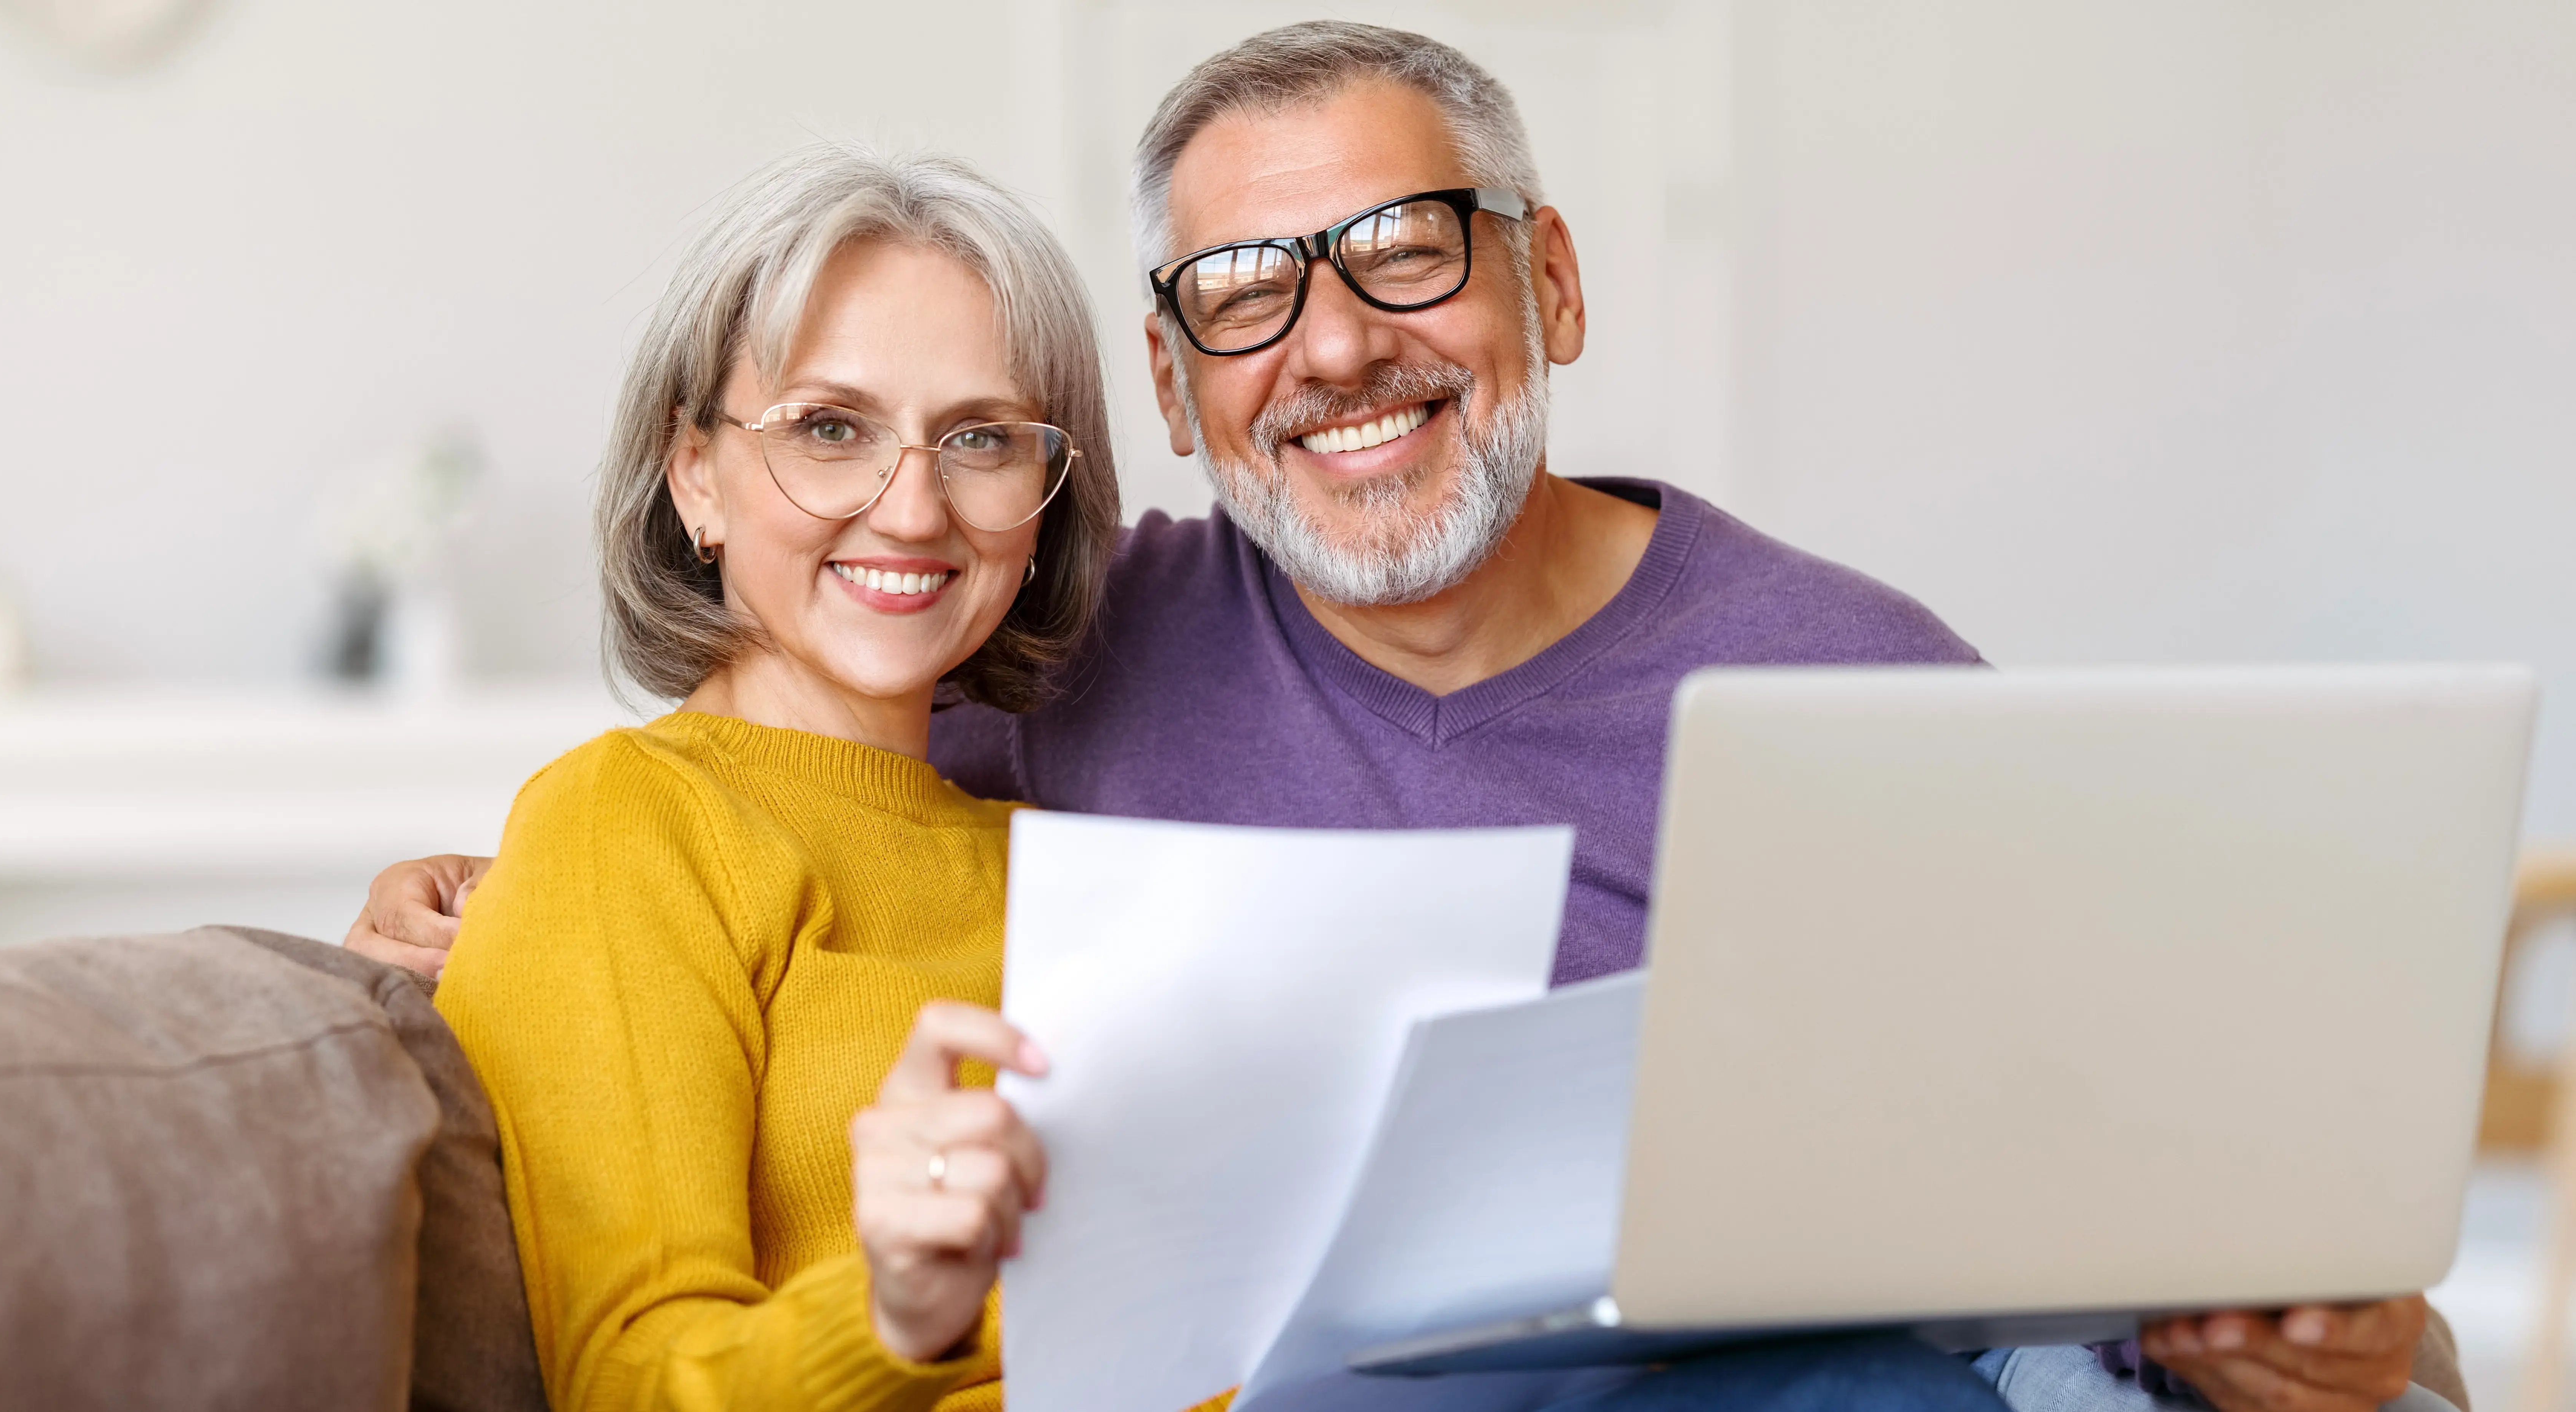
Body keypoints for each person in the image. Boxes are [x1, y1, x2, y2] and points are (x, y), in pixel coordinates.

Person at [368, 24, 2454, 1412]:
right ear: (1180, 407)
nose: (1336, 342)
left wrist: (2366, 1339)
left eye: (1402, 252)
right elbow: (735, 814)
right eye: (1249, 293)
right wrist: (480, 905)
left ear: (1548, 285)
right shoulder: (1062, 674)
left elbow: (2151, 1185)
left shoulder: (1859, 682)